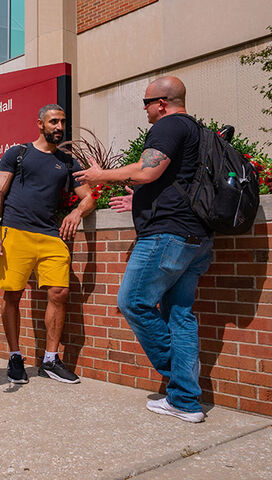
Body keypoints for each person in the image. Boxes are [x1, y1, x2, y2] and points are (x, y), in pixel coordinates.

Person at [74, 76, 211, 423]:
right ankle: (185, 401)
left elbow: (148, 170)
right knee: (180, 315)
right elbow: (177, 180)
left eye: (147, 104)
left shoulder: (169, 125)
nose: (146, 111)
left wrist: (100, 174)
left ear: (162, 103)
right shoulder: (197, 131)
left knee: (132, 301)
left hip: (168, 237)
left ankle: (181, 377)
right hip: (196, 238)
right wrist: (142, 201)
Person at [0, 104, 96, 385]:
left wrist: (76, 212)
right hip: (15, 231)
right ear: (40, 124)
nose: (59, 127)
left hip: (50, 235)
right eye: (53, 122)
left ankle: (50, 360)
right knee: (12, 295)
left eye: (62, 122)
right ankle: (14, 356)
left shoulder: (68, 162)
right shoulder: (18, 153)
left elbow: (89, 197)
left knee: (59, 292)